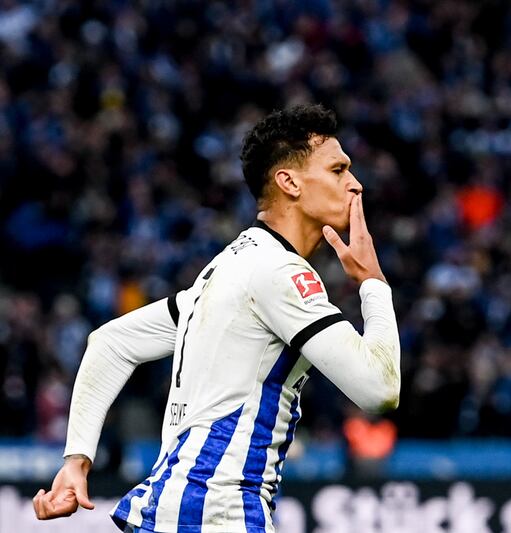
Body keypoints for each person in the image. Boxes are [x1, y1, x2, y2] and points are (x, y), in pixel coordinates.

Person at [32, 104, 402, 532]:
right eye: (338, 170)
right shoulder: (278, 272)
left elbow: (111, 344)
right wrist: (373, 284)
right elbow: (379, 389)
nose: (355, 185)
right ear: (289, 182)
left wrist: (77, 460)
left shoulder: (223, 271)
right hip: (216, 510)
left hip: (176, 506)